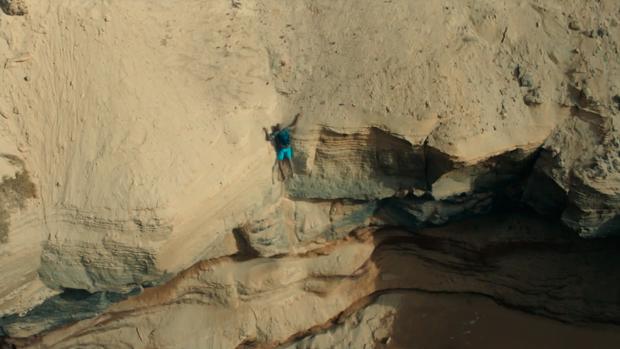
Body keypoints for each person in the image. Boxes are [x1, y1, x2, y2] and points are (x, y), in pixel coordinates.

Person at [264, 113, 301, 180]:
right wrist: (297, 117)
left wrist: (266, 131)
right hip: (287, 148)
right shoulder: (286, 129)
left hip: (282, 149)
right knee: (289, 160)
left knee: (280, 162)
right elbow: (294, 125)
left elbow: (268, 139)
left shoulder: (276, 133)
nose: (278, 126)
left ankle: (284, 175)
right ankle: (293, 173)